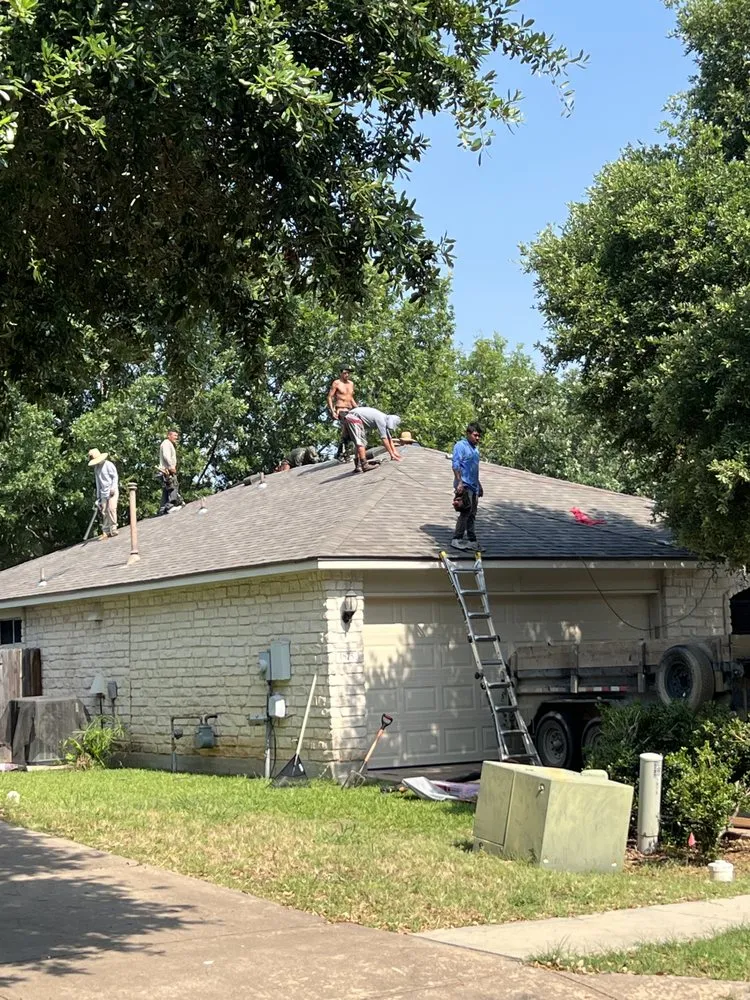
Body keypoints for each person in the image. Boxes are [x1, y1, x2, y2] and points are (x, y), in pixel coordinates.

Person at [451, 423, 483, 551]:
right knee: (465, 512)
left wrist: (479, 485)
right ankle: (457, 539)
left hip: (474, 486)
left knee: (472, 514)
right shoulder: (460, 446)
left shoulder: (475, 449)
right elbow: (456, 465)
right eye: (475, 435)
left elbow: (473, 469)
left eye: (479, 436)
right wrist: (459, 482)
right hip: (464, 485)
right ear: (468, 433)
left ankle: (472, 540)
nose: (478, 438)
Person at [344, 406, 403, 473]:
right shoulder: (381, 420)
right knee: (360, 442)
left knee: (358, 442)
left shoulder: (384, 417)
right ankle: (364, 465)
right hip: (353, 418)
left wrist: (394, 452)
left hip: (349, 418)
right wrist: (391, 455)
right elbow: (384, 439)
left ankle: (358, 466)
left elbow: (389, 437)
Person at [327, 367, 358, 461]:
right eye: (345, 373)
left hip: (350, 410)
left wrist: (358, 409)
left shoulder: (351, 384)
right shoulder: (336, 383)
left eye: (348, 373)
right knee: (349, 427)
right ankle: (345, 452)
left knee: (347, 431)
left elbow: (350, 397)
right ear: (341, 373)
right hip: (340, 409)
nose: (347, 375)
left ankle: (341, 453)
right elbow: (329, 397)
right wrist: (332, 411)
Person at [87, 449, 119, 538]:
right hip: (103, 493)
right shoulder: (96, 468)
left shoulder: (108, 465)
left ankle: (113, 528)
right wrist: (98, 498)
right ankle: (106, 530)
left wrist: (113, 488)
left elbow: (115, 477)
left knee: (112, 509)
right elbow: (98, 483)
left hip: (112, 491)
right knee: (104, 511)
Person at [158, 429, 185, 515]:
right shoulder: (166, 443)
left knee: (166, 489)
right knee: (173, 486)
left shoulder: (168, 444)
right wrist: (171, 466)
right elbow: (166, 456)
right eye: (174, 435)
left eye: (177, 436)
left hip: (165, 470)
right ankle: (170, 506)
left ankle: (163, 509)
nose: (176, 438)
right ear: (168, 435)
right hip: (167, 470)